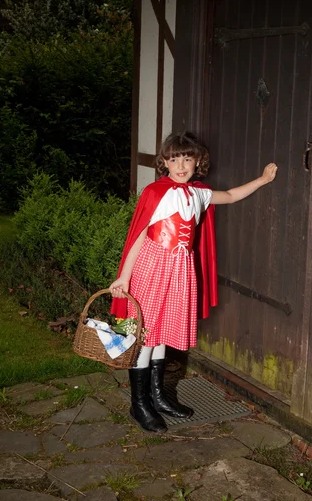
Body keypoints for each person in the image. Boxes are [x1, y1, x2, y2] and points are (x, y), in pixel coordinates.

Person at [109, 132, 277, 433]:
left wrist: (262, 180)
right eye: (175, 159)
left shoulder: (200, 193)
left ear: (197, 162)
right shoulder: (155, 193)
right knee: (146, 334)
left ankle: (158, 397)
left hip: (179, 269)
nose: (181, 165)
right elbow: (137, 238)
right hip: (152, 266)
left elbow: (232, 195)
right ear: (165, 163)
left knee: (162, 332)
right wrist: (124, 276)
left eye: (188, 158)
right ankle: (139, 403)